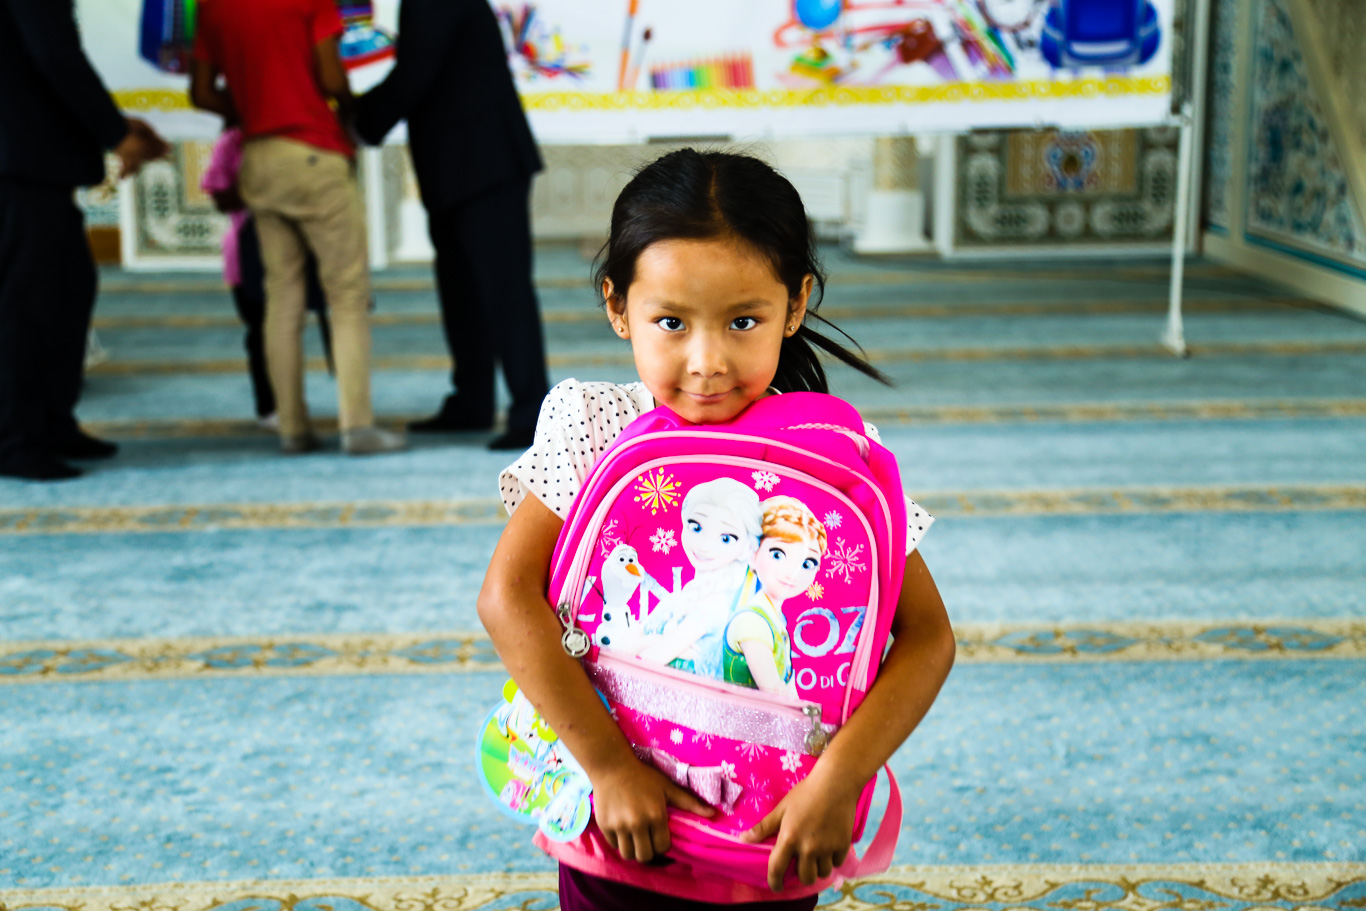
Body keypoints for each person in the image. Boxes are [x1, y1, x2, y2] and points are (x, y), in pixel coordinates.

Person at [481, 149, 956, 909]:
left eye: (743, 321)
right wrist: (609, 769)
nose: (706, 361)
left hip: (777, 828)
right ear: (617, 306)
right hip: (618, 821)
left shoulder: (837, 453)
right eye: (670, 322)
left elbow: (929, 636)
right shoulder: (591, 420)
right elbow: (507, 598)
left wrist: (838, 782)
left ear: (795, 305)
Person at [189, 0, 404, 456]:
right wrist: (351, 111)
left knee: (281, 297)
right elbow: (331, 79)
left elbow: (202, 93)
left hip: (258, 157)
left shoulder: (213, 8)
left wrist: (252, 108)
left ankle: (292, 428)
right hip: (313, 153)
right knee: (346, 295)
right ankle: (357, 427)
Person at [353, 0, 549, 451]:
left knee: (504, 293)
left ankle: (532, 415)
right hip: (458, 166)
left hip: (484, 164)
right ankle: (472, 400)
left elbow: (415, 73)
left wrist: (358, 122)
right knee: (462, 292)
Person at [0, 0, 169, 481]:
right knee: (24, 309)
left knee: (67, 293)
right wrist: (115, 133)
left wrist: (115, 126)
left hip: (31, 160)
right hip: (18, 164)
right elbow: (54, 54)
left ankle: (52, 422)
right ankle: (14, 440)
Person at [201, 126, 336, 429]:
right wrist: (262, 188)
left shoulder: (298, 134)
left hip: (294, 249)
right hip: (247, 252)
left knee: (289, 328)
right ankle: (270, 407)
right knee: (261, 332)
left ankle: (291, 402)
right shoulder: (232, 142)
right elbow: (220, 198)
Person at [723, 496, 830, 697]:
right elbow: (775, 696)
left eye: (807, 563)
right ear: (752, 554)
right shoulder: (752, 621)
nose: (793, 572)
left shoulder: (773, 617)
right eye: (778, 554)